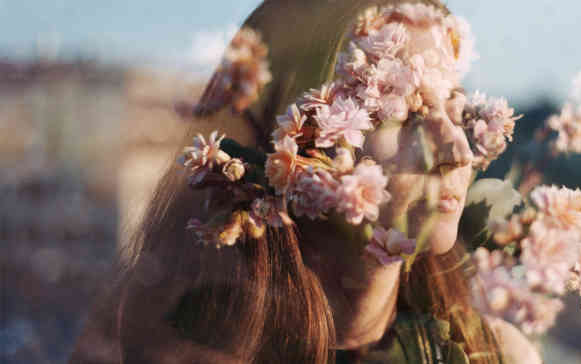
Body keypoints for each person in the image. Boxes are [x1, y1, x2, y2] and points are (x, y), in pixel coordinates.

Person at [69, 0, 542, 363]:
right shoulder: (157, 342)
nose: (456, 150)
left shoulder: (497, 355)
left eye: (456, 108)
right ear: (294, 140)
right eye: (404, 112)